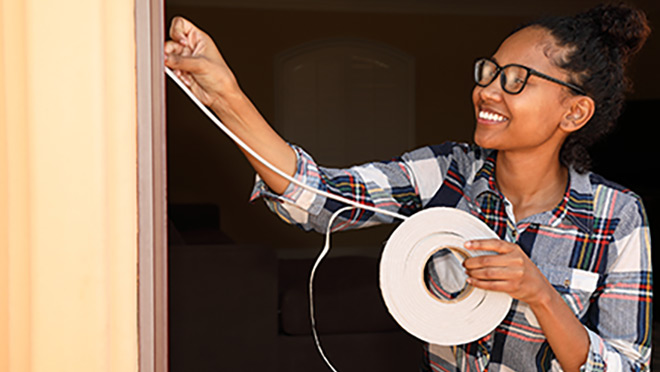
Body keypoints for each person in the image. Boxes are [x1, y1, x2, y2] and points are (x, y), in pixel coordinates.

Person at [164, 3, 652, 371]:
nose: (487, 90)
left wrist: (540, 294)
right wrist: (222, 89)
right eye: (489, 71)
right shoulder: (448, 172)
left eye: (517, 80)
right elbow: (315, 198)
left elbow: (627, 365)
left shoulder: (618, 217)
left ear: (574, 111)